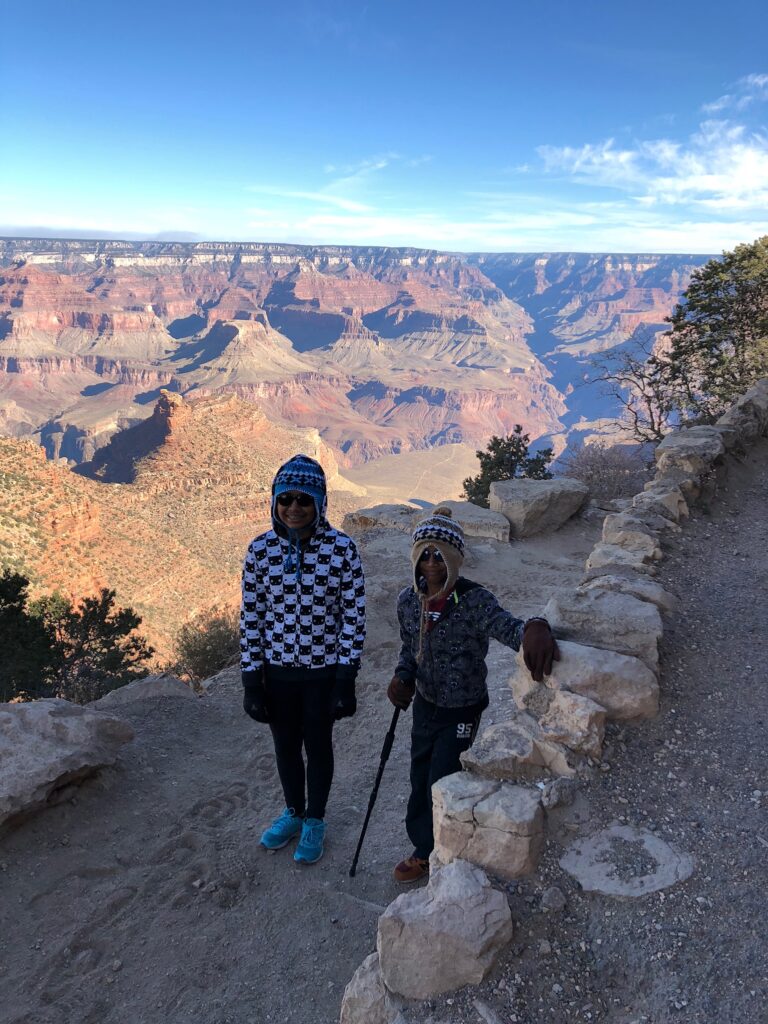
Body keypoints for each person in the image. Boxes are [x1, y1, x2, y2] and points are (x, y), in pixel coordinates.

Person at [387, 506, 558, 883]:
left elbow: (507, 628)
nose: (432, 563)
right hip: (425, 704)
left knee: (443, 776)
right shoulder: (407, 601)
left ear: (455, 559)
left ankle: (445, 848)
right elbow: (408, 648)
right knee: (419, 777)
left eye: (440, 555)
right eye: (425, 553)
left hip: (463, 709)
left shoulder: (474, 601)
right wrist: (402, 677)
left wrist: (536, 626)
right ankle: (424, 849)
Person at [240, 454, 366, 865]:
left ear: (320, 503)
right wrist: (250, 682)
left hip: (322, 674)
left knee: (318, 745)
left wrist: (346, 679)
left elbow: (353, 617)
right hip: (276, 674)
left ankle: (316, 819)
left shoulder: (342, 550)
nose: (293, 508)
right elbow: (252, 617)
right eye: (285, 499)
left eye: (304, 500)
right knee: (285, 747)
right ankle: (293, 811)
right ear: (274, 502)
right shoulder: (259, 551)